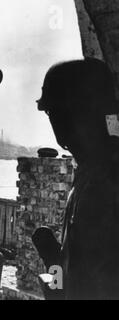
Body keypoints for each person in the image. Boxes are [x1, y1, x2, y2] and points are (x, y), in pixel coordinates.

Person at [37, 58, 119, 299]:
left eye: (54, 113)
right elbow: (72, 273)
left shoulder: (104, 180)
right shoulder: (88, 172)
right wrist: (51, 258)